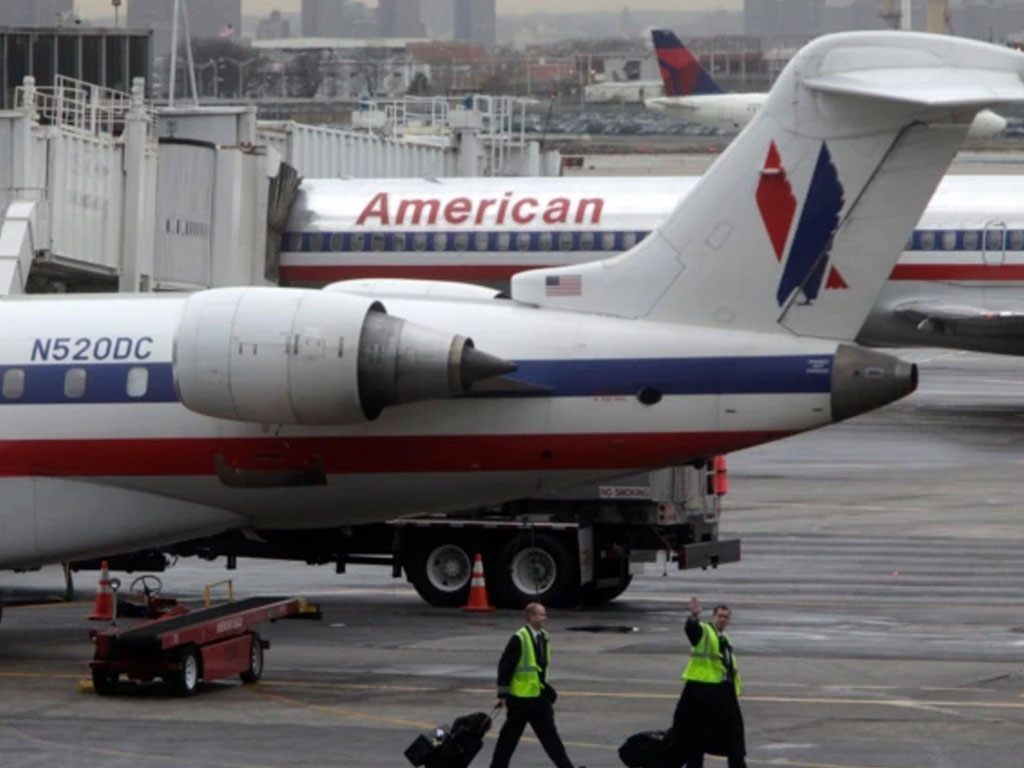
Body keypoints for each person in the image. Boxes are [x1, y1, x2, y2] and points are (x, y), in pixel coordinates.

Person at [488, 602, 584, 768]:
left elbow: (539, 668)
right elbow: (505, 667)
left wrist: (546, 690)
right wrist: (502, 694)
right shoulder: (519, 638)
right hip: (520, 700)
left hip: (539, 699)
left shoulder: (544, 636)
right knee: (508, 740)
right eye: (541, 614)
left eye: (544, 614)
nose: (544, 617)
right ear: (531, 617)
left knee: (551, 738)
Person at [669, 595, 746, 768]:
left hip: (722, 694)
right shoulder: (704, 631)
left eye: (726, 617)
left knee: (734, 738)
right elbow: (692, 632)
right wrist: (694, 617)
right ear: (713, 617)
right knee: (697, 740)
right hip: (701, 694)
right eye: (720, 616)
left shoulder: (725, 640)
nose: (723, 619)